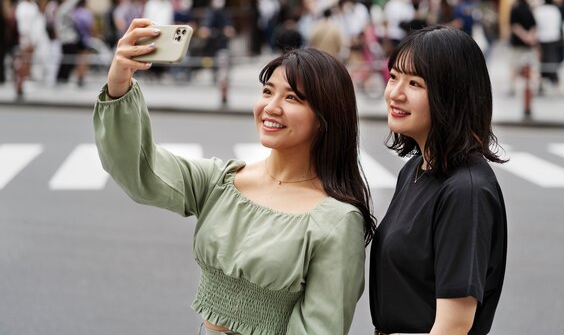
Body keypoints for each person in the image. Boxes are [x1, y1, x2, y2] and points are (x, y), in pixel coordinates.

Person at [93, 18, 375, 335]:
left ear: (326, 118)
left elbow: (319, 329)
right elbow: (140, 171)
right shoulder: (221, 181)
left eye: (292, 98)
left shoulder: (336, 221)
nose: (271, 107)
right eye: (267, 91)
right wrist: (119, 83)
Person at [370, 26, 508, 335]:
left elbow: (454, 324)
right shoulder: (416, 169)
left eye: (415, 83)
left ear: (452, 94)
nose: (395, 93)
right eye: (394, 77)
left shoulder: (466, 191)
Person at [508, 0, 537, 96]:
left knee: (514, 65)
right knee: (532, 66)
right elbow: (534, 25)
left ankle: (512, 87)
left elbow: (514, 26)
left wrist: (523, 36)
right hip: (529, 43)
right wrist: (529, 36)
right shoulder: (528, 8)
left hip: (516, 43)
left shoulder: (514, 9)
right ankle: (534, 86)